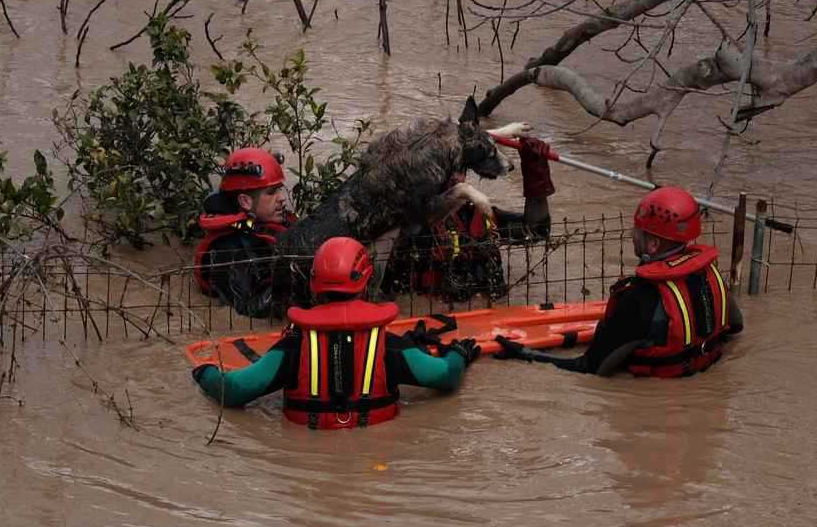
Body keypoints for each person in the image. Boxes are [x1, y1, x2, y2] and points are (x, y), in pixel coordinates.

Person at [191, 237, 481, 429]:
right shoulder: (391, 348)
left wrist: (204, 373)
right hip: (374, 457)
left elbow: (235, 390)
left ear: (314, 285)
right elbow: (445, 377)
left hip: (308, 459)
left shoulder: (292, 348)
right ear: (366, 283)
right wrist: (457, 353)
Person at [493, 186, 744, 377]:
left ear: (654, 244)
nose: (632, 235)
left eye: (637, 230)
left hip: (653, 407)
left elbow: (591, 368)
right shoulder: (709, 273)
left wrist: (525, 354)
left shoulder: (638, 297)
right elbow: (736, 327)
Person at [379, 136, 557, 301]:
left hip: (482, 320)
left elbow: (536, 231)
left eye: (461, 170)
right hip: (423, 319)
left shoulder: (478, 214)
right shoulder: (400, 219)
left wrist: (536, 174)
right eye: (448, 171)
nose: (456, 178)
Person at [193, 147, 297, 318]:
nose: (282, 198)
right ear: (245, 202)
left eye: (280, 189)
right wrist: (293, 279)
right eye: (271, 192)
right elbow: (248, 310)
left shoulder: (264, 221)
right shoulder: (228, 249)